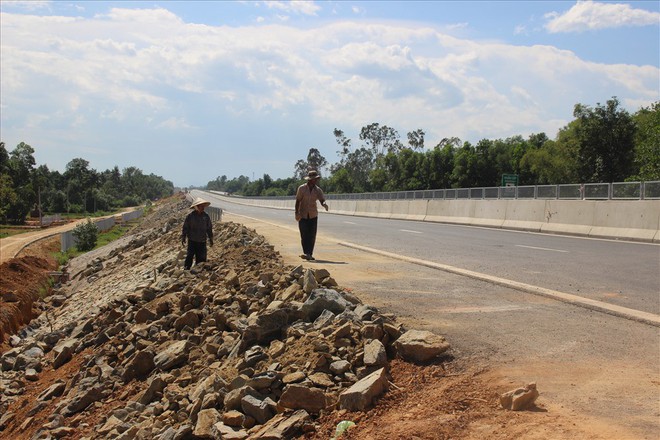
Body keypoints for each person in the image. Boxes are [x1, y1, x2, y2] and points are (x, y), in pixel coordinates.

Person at [295, 170, 328, 261]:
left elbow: (322, 199)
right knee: (304, 234)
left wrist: (324, 204)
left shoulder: (318, 190)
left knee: (312, 235)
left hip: (313, 215)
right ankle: (306, 252)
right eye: (313, 179)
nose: (315, 181)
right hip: (303, 215)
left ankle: (309, 253)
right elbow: (298, 201)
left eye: (316, 179)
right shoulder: (301, 188)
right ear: (309, 180)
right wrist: (296, 213)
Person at [182, 197, 213, 270]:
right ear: (196, 207)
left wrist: (210, 239)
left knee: (201, 258)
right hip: (192, 240)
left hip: (202, 241)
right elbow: (185, 227)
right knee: (190, 256)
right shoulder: (190, 216)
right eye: (201, 206)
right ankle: (186, 270)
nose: (203, 208)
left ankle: (199, 272)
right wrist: (183, 237)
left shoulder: (206, 216)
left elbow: (209, 228)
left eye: (203, 206)